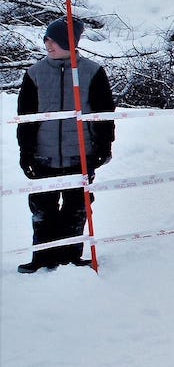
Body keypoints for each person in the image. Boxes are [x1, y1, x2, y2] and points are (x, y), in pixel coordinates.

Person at [16, 19, 116, 272]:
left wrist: (104, 146)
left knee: (76, 208)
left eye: (54, 40)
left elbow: (104, 114)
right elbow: (25, 118)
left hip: (79, 155)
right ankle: (42, 257)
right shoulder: (34, 73)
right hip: (43, 156)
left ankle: (70, 257)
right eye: (46, 40)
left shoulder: (92, 72)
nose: (48, 45)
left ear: (70, 43)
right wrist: (25, 152)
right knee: (42, 209)